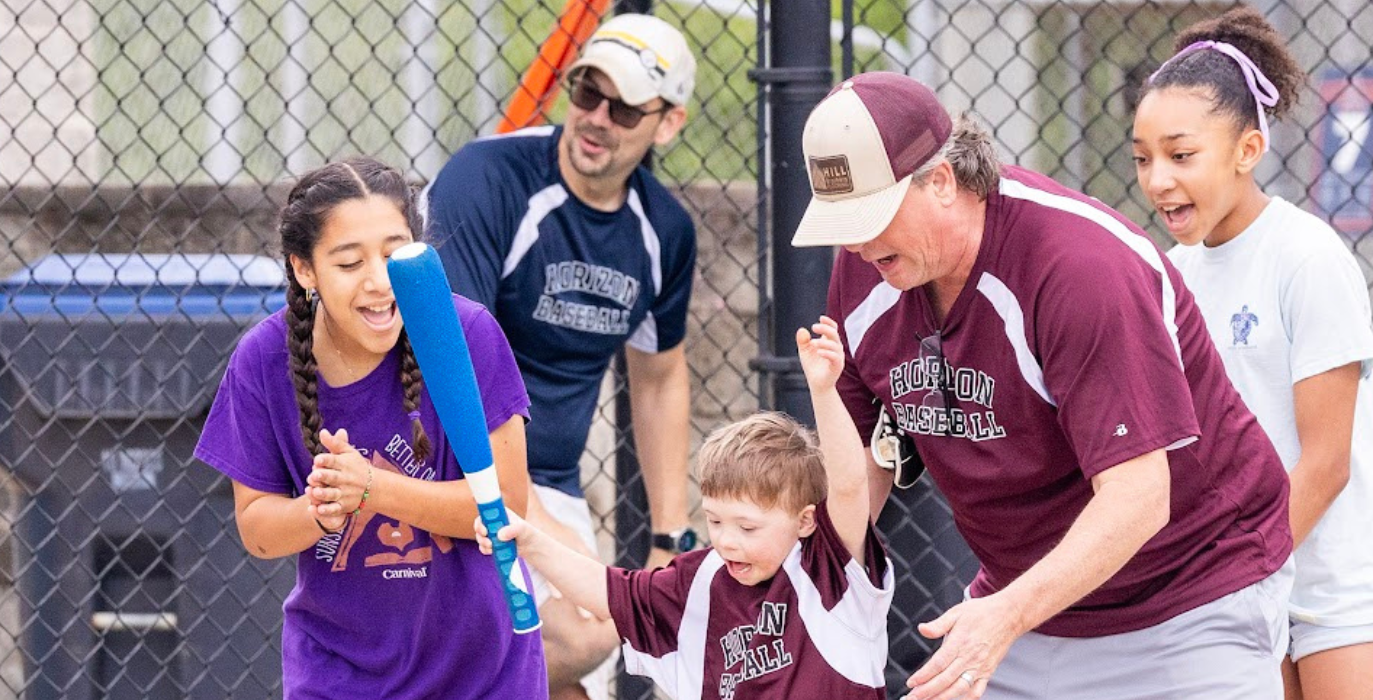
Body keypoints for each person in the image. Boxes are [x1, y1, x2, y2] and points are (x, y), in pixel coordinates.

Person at [791, 71, 1294, 700]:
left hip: (1189, 592)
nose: (858, 243)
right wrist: (794, 603)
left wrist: (1005, 615)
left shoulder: (1079, 268)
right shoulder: (871, 268)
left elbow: (1139, 497)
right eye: (842, 219)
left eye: (872, 214)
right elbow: (860, 470)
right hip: (1026, 602)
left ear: (941, 181)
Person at [1129, 6, 1373, 699]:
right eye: (1142, 158)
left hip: (1334, 585)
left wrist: (1236, 574)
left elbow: (1325, 464)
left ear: (1248, 150)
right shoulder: (1169, 277)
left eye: (1181, 155)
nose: (1157, 179)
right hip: (1231, 592)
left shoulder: (1307, 256)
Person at [192, 157, 546, 697]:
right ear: (304, 269)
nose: (380, 283)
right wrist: (325, 506)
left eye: (393, 253)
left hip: (480, 672)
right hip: (339, 674)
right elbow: (258, 531)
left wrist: (374, 490)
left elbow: (505, 507)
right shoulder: (263, 360)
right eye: (348, 263)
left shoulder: (466, 333)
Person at [422, 13, 699, 698]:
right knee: (582, 633)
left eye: (626, 106)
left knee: (585, 653)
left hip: (550, 478)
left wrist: (670, 539)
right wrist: (540, 530)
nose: (597, 118)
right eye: (586, 94)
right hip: (445, 461)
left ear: (667, 123)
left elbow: (659, 377)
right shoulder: (489, 179)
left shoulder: (662, 231)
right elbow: (450, 366)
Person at [476, 317, 892, 699]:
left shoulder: (830, 572)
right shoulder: (700, 581)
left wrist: (823, 391)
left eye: (748, 528)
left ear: (804, 521)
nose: (727, 540)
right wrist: (529, 541)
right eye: (714, 520)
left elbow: (851, 486)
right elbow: (608, 592)